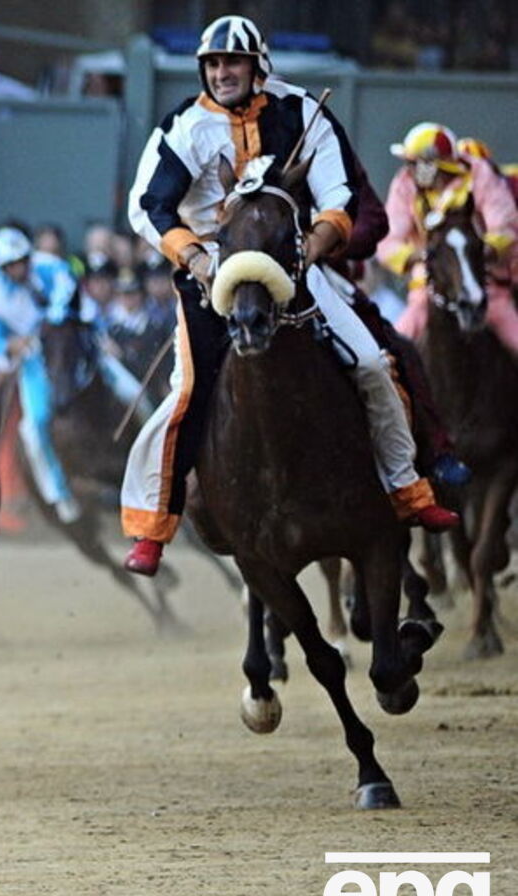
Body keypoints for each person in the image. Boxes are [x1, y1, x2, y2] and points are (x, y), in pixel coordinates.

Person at [121, 14, 457, 576]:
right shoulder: (183, 126)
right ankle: (152, 526)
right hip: (209, 275)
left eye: (232, 62)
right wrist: (197, 260)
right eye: (212, 64)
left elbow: (339, 195)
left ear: (258, 65)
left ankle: (408, 490)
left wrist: (312, 248)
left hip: (292, 266)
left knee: (372, 363)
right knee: (185, 394)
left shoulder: (302, 109)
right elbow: (147, 206)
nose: (222, 73)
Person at [377, 122, 518, 359]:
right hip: (428, 289)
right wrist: (418, 256)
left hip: (487, 284)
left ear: (435, 164)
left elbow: (505, 226)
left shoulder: (479, 174)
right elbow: (387, 240)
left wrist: (482, 252)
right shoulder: (405, 183)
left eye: (415, 162)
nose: (409, 169)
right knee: (389, 355)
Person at [0, 226, 81, 523]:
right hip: (33, 358)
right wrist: (13, 344)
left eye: (22, 261)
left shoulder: (50, 266)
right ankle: (58, 494)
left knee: (129, 390)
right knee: (32, 429)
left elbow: (67, 291)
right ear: (1, 268)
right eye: (11, 265)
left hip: (73, 339)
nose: (19, 269)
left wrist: (51, 320)